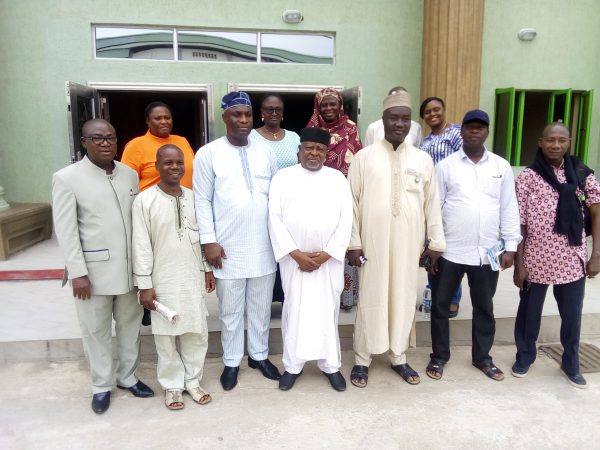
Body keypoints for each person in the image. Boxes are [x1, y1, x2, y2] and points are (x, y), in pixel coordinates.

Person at [52, 119, 153, 414]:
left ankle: (127, 377)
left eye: (110, 137)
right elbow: (66, 230)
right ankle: (101, 385)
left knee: (130, 327)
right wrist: (78, 273)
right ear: (84, 142)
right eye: (97, 138)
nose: (106, 143)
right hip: (93, 274)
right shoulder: (67, 178)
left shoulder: (129, 174)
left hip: (130, 272)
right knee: (96, 331)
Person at [346, 91, 445, 388]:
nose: (399, 123)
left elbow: (432, 203)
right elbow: (351, 203)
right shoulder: (364, 157)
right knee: (371, 296)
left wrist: (436, 242)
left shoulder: (422, 160)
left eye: (405, 118)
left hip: (409, 243)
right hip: (372, 243)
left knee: (403, 296)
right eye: (393, 117)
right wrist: (353, 243)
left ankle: (398, 356)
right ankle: (362, 358)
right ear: (383, 120)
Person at [193, 91, 281, 391]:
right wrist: (209, 241)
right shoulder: (208, 153)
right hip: (226, 247)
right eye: (236, 114)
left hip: (264, 246)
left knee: (260, 307)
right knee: (230, 310)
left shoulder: (265, 151)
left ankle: (259, 356)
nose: (243, 120)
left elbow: (276, 196)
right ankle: (231, 361)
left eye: (247, 114)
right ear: (225, 117)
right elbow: (202, 200)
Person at [427, 109, 521, 382]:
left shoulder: (501, 167)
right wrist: (433, 245)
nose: (475, 131)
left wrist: (511, 246)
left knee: (484, 308)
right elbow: (434, 208)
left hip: (487, 253)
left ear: (487, 132)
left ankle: (482, 358)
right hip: (450, 251)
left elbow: (508, 207)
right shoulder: (446, 166)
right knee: (440, 307)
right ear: (463, 131)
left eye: (480, 127)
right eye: (470, 127)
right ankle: (439, 357)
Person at [512, 122, 600, 388]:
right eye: (550, 140)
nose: (556, 145)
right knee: (529, 314)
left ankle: (571, 363)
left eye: (562, 140)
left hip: (571, 258)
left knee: (572, 315)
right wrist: (519, 263)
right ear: (540, 142)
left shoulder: (582, 173)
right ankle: (525, 357)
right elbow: (520, 223)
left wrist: (596, 254)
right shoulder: (527, 177)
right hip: (535, 258)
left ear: (569, 142)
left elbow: (596, 211)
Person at [268, 127, 353, 392]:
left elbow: (346, 221)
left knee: (328, 312)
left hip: (328, 262)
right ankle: (293, 366)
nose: (314, 153)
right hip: (294, 262)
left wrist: (326, 255)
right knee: (294, 311)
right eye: (309, 148)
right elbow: (274, 220)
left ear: (326, 153)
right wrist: (296, 254)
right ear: (299, 151)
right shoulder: (282, 178)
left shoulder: (337, 179)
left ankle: (331, 366)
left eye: (320, 149)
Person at [132, 144, 217, 409]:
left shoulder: (194, 198)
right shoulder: (145, 200)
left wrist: (207, 269)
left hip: (191, 276)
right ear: (157, 166)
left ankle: (193, 381)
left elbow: (202, 237)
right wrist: (144, 284)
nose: (174, 167)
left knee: (196, 331)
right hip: (162, 280)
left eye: (179, 162)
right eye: (168, 162)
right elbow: (141, 245)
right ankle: (172, 386)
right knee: (165, 338)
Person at [307, 87, 362, 311]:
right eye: (324, 104)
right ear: (318, 107)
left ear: (340, 105)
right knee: (319, 242)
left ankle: (346, 298)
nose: (329, 108)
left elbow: (358, 160)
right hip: (316, 196)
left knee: (343, 241)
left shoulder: (351, 128)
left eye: (333, 104)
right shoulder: (311, 129)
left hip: (345, 194)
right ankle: (319, 297)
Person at [250, 93, 301, 303]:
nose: (273, 113)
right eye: (269, 109)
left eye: (277, 109)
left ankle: (286, 296)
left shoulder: (294, 138)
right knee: (266, 250)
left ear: (282, 113)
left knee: (287, 247)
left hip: (290, 204)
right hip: (263, 202)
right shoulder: (251, 138)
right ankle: (263, 299)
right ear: (261, 112)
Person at [419, 96, 463, 318]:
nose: (432, 114)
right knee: (432, 251)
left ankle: (452, 300)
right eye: (427, 112)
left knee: (450, 254)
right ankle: (435, 294)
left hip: (452, 201)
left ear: (444, 110)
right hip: (431, 202)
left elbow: (465, 162)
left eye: (436, 109)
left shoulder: (455, 134)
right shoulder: (425, 142)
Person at [121, 101, 196, 191]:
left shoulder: (182, 141)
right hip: (151, 199)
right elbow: (126, 182)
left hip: (187, 198)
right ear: (148, 121)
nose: (164, 121)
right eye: (158, 118)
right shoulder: (135, 145)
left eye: (167, 118)